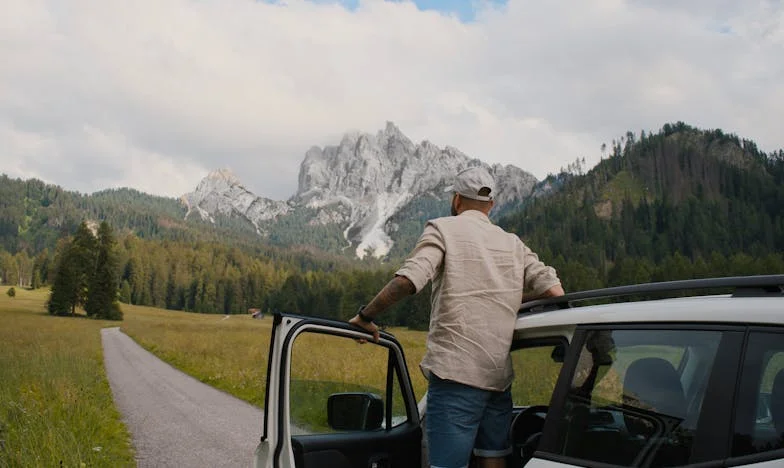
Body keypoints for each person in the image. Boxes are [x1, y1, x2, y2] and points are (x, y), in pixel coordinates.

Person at [349, 166, 564, 468]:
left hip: (456, 377)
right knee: (494, 459)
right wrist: (507, 298)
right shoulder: (513, 243)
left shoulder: (443, 228)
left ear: (456, 201)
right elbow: (554, 291)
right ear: (492, 205)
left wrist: (365, 315)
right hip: (498, 380)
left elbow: (409, 280)